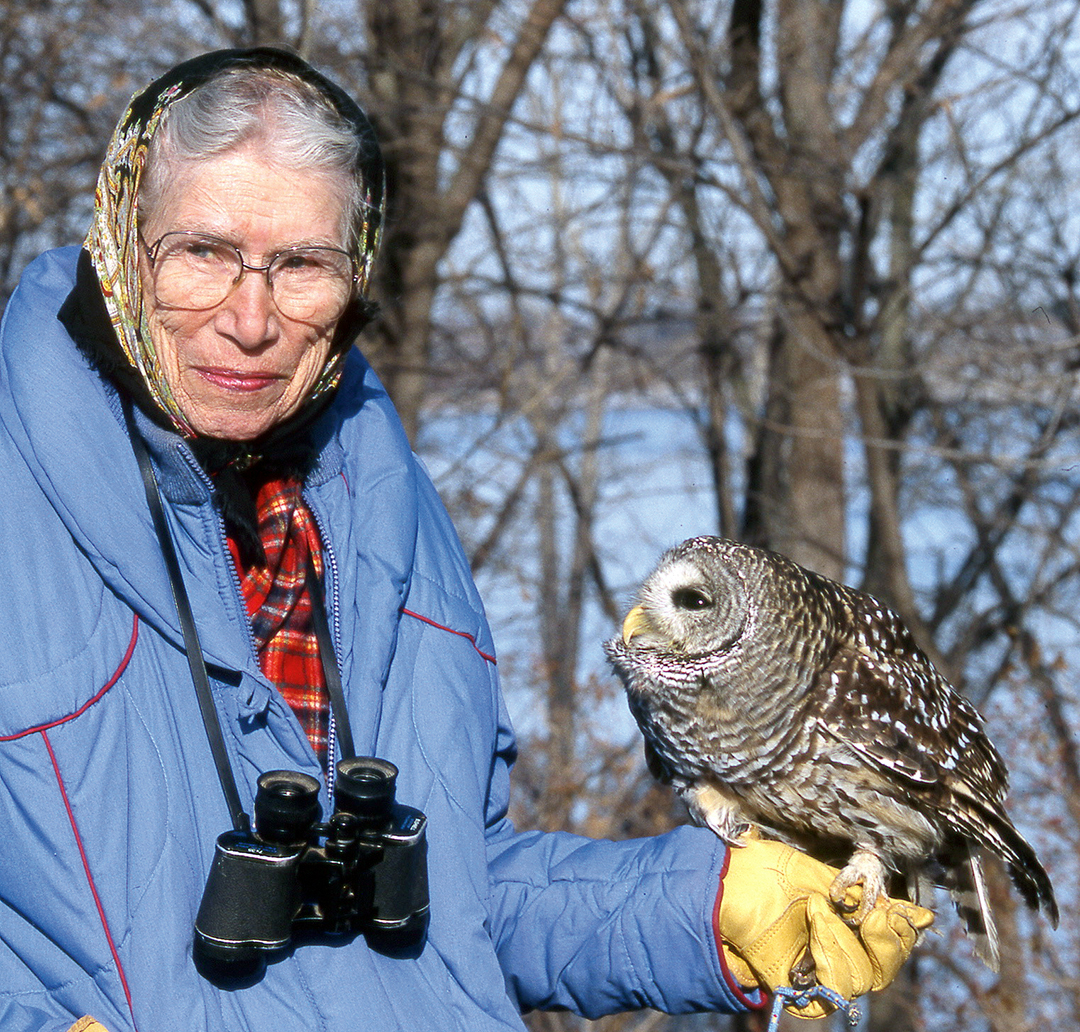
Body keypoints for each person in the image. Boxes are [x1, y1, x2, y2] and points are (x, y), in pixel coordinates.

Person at [0, 48, 931, 1032]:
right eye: (202, 252)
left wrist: (702, 916)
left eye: (303, 266)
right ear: (120, 242)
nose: (250, 318)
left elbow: (458, 907)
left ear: (354, 278)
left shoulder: (384, 503)